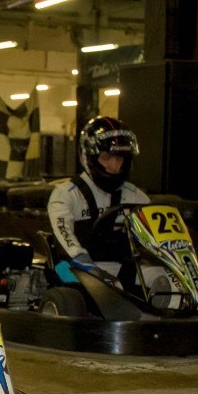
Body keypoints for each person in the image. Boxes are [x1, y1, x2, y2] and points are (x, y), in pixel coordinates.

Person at [46, 115, 149, 282]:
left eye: (119, 158)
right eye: (106, 157)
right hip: (80, 267)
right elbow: (65, 238)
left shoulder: (135, 196)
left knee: (165, 277)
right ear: (88, 157)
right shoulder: (66, 194)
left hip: (121, 267)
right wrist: (87, 266)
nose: (115, 166)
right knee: (97, 282)